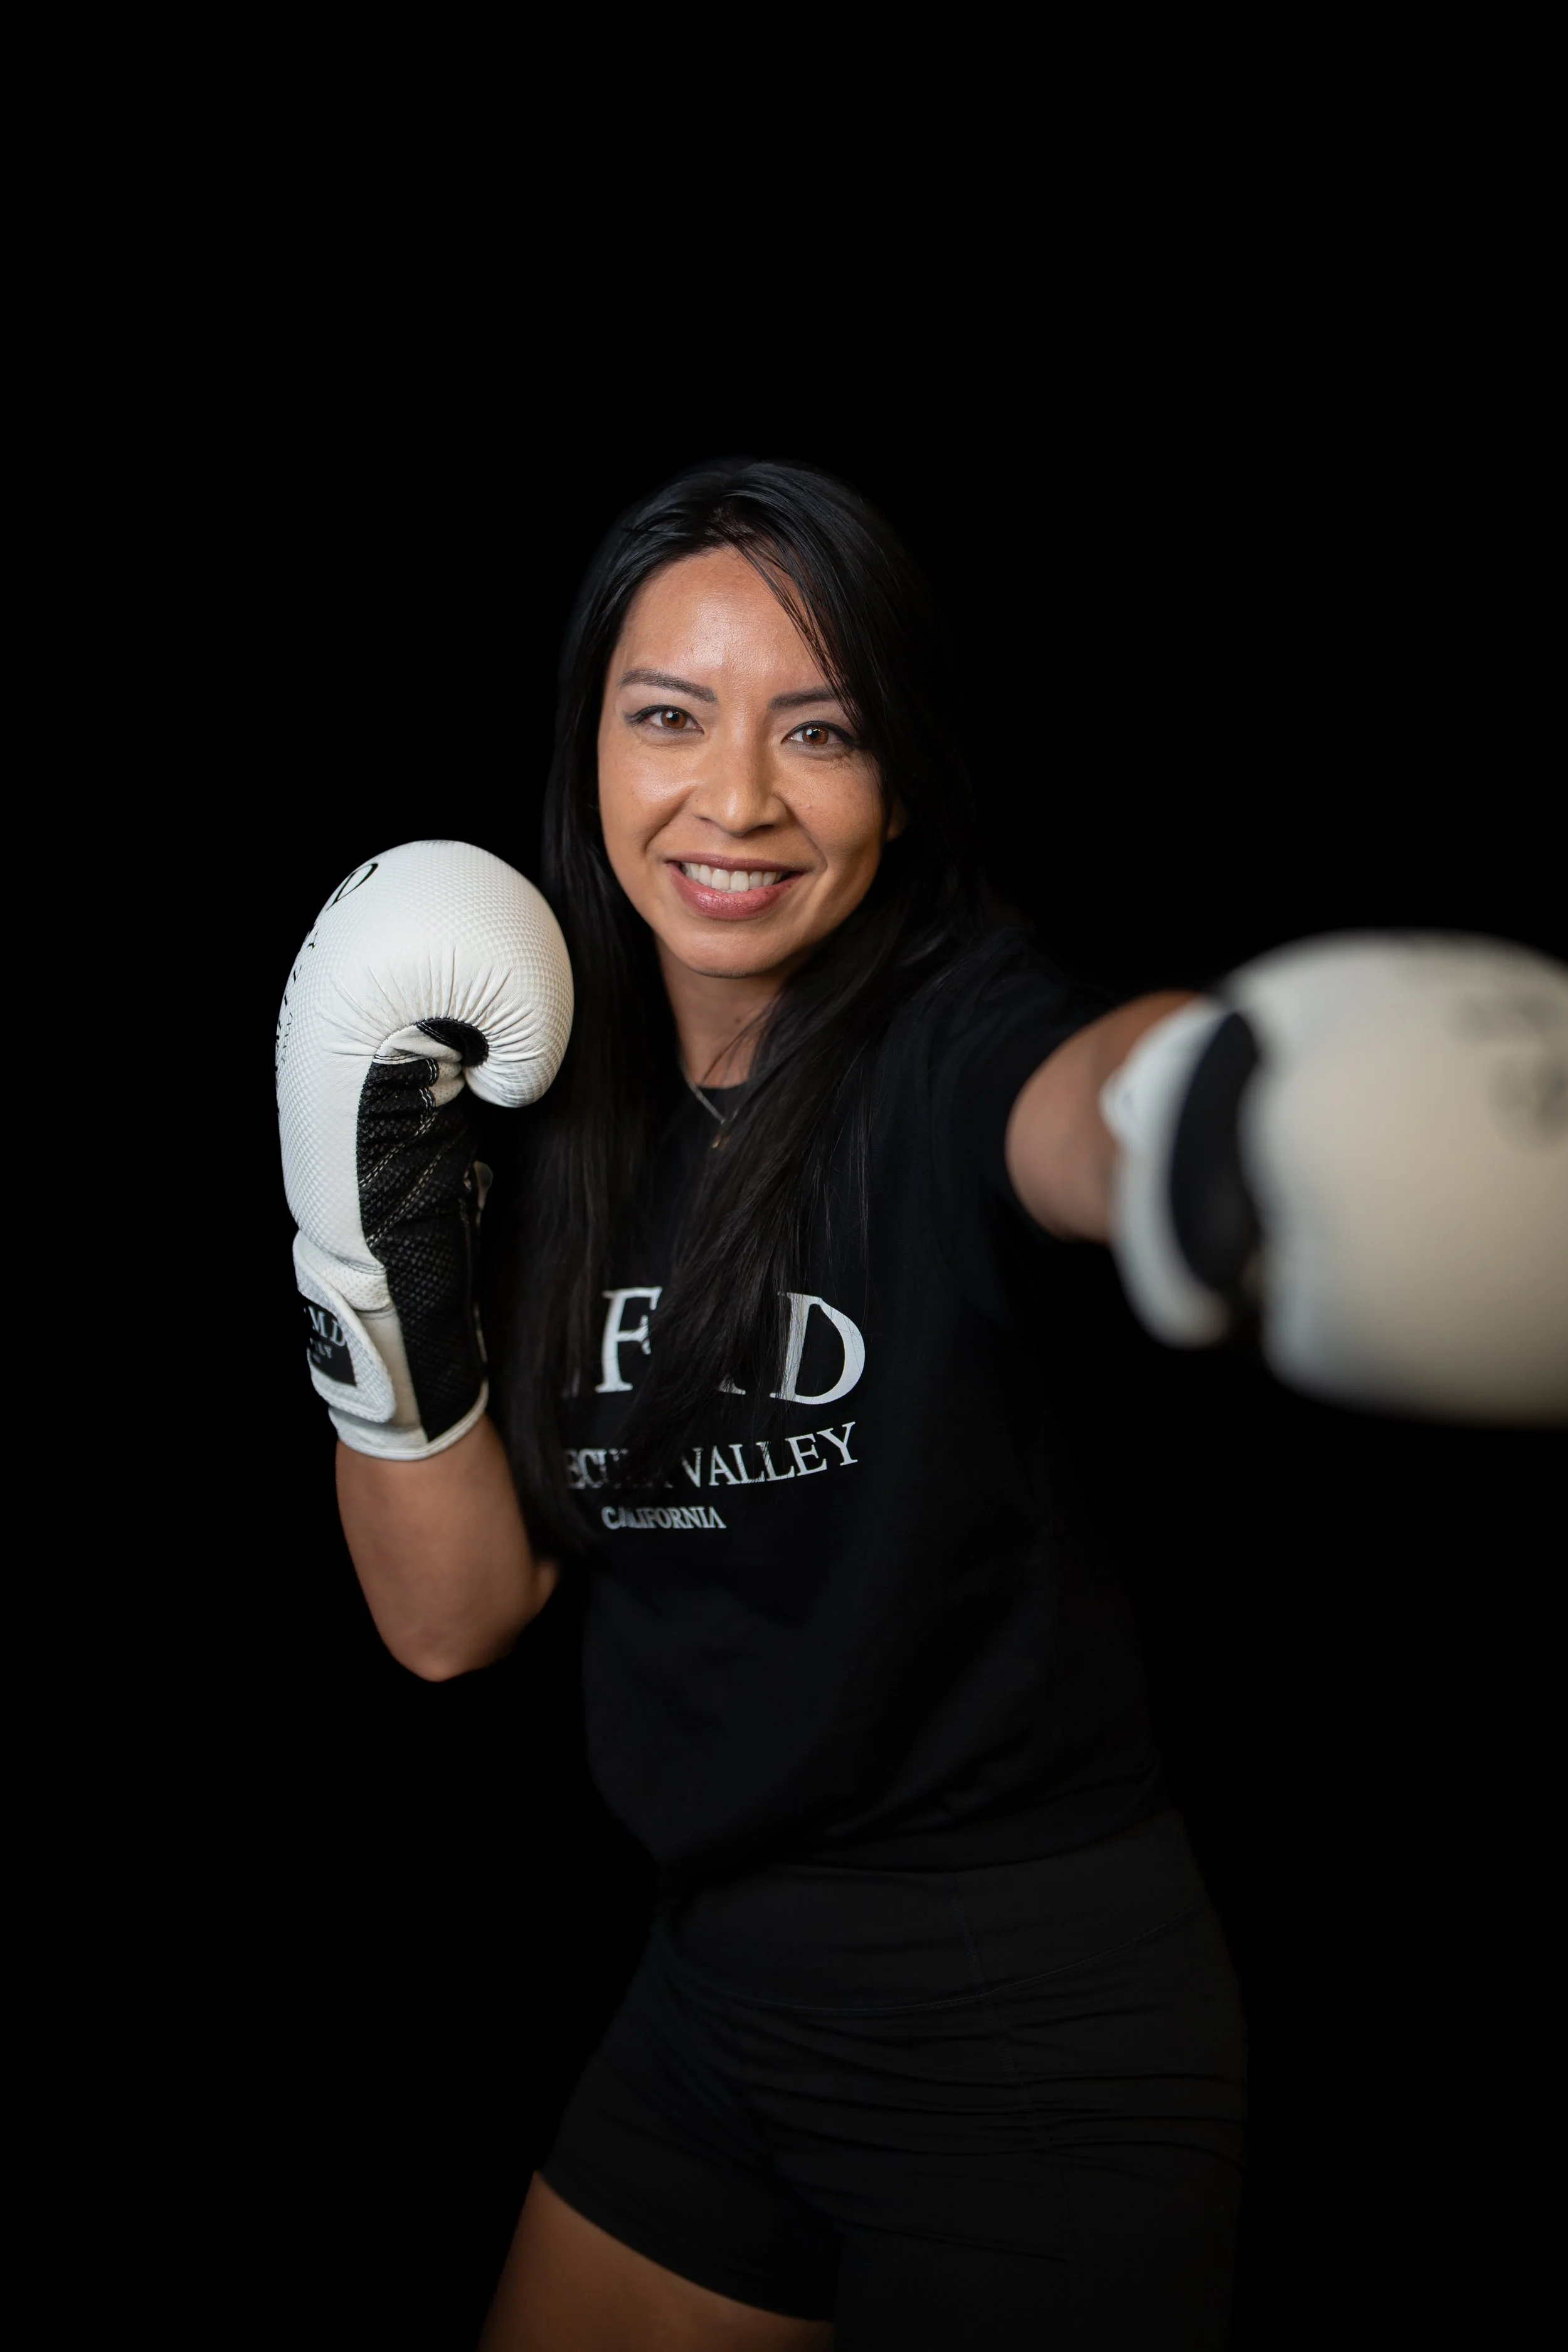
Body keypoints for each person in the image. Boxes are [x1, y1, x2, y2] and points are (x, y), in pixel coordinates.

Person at [275, 460, 1568, 2349]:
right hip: (713, 1992)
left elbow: (1077, 1099)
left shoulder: (947, 1035)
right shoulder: (534, 1120)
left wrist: (1223, 1101)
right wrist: (358, 1243)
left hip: (1021, 2038)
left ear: (899, 779)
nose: (734, 800)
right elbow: (448, 1620)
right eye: (668, 718)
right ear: (590, 751)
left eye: (822, 730)